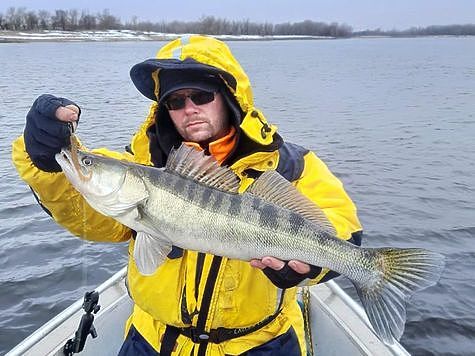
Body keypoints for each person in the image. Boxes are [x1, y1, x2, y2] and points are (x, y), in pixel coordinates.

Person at [12, 35, 363, 355]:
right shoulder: (143, 164)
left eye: (201, 95)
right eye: (175, 101)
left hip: (260, 345)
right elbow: (88, 218)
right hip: (152, 340)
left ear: (228, 97)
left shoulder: (290, 165)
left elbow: (342, 229)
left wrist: (307, 269)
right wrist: (46, 160)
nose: (189, 108)